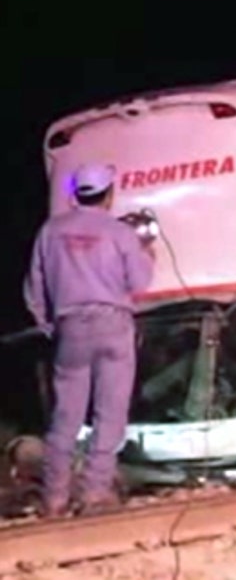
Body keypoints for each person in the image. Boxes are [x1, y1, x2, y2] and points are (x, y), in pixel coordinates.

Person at [23, 163, 156, 516]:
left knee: (66, 416)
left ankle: (54, 497)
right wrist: (149, 252)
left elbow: (34, 289)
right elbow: (140, 284)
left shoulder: (50, 232)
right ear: (109, 194)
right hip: (113, 325)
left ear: (74, 193)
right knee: (109, 413)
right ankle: (94, 492)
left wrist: (49, 324)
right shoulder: (119, 233)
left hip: (70, 329)